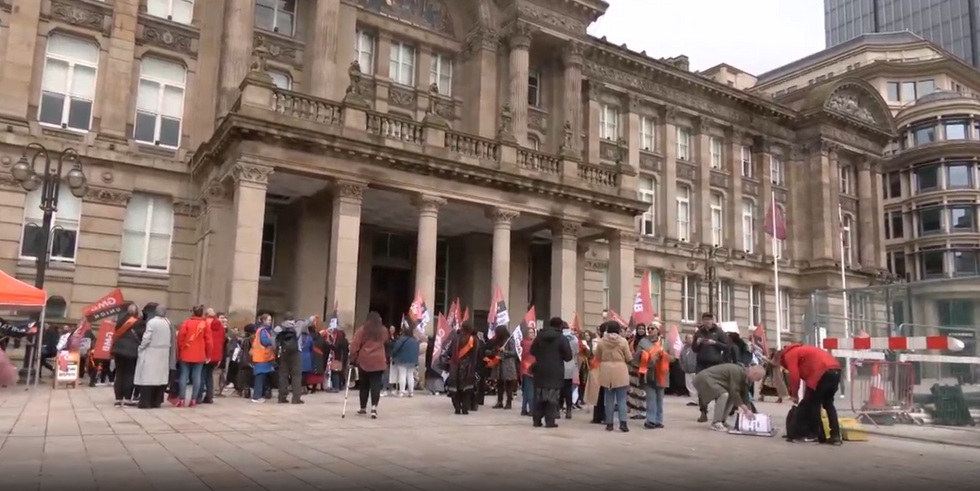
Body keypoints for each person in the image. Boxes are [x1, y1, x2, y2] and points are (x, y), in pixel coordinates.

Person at [775, 344, 843, 445]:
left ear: (780, 358)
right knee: (828, 404)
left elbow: (794, 376)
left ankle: (814, 434)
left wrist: (794, 395)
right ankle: (836, 436)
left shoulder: (789, 355)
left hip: (821, 372)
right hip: (836, 370)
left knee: (813, 405)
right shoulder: (801, 350)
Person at [693, 363, 766, 432]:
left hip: (712, 380)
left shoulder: (745, 377)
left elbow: (745, 396)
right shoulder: (737, 372)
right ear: (755, 374)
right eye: (758, 378)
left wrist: (750, 410)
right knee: (724, 394)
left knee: (731, 397)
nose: (757, 381)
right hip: (704, 379)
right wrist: (745, 409)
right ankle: (716, 422)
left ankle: (722, 421)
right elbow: (734, 391)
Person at [528, 317, 573, 428]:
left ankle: (537, 420)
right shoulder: (562, 339)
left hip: (540, 369)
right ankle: (550, 421)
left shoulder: (539, 336)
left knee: (539, 395)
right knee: (552, 397)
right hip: (555, 370)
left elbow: (532, 351)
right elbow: (568, 357)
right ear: (560, 326)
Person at [692, 312, 731, 422]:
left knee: (716, 387)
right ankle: (703, 412)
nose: (707, 322)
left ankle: (718, 413)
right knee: (701, 387)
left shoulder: (719, 332)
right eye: (705, 320)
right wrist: (698, 343)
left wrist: (715, 343)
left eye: (709, 320)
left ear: (712, 320)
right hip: (701, 363)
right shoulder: (699, 332)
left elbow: (727, 347)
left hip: (715, 364)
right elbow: (694, 349)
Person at [593, 321, 632, 432]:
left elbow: (598, 356)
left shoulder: (602, 342)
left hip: (606, 369)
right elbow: (628, 357)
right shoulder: (623, 341)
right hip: (620, 369)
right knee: (621, 399)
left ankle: (609, 423)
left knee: (608, 398)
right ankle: (623, 423)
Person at [350, 312, 388, 418]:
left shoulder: (362, 330)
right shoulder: (383, 331)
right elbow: (386, 342)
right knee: (376, 385)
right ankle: (374, 408)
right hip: (379, 360)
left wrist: (353, 357)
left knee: (364, 385)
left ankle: (363, 407)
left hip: (365, 359)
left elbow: (355, 345)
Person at [135, 306, 172, 409]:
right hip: (164, 352)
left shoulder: (152, 322)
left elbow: (147, 337)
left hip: (152, 351)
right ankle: (157, 401)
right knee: (160, 379)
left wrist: (141, 347)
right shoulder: (168, 323)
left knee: (148, 378)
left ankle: (146, 402)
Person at [175, 305, 212, 407]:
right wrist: (208, 354)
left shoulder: (186, 323)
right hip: (199, 354)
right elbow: (209, 341)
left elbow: (180, 338)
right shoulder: (205, 324)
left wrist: (180, 349)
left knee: (183, 376)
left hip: (186, 353)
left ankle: (181, 398)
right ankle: (194, 399)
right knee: (197, 377)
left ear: (193, 312)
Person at [111, 303, 146, 407]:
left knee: (119, 374)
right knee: (129, 375)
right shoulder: (140, 323)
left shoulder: (121, 321)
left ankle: (118, 399)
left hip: (118, 350)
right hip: (132, 352)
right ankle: (127, 398)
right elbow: (142, 337)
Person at [637, 324, 671, 429]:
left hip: (662, 373)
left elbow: (673, 358)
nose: (650, 330)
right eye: (649, 329)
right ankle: (650, 420)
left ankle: (658, 420)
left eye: (652, 328)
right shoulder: (643, 342)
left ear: (658, 330)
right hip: (649, 372)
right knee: (651, 398)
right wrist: (642, 355)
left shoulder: (664, 343)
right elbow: (636, 357)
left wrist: (664, 356)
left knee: (660, 399)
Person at [442, 321, 481, 415]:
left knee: (455, 389)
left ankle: (457, 408)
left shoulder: (455, 339)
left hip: (455, 367)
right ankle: (465, 408)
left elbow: (448, 352)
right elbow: (476, 356)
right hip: (468, 368)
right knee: (466, 390)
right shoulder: (474, 340)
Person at [275, 314, 309, 404]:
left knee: (283, 375)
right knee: (296, 375)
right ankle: (296, 398)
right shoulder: (298, 325)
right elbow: (308, 322)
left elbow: (273, 339)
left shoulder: (279, 328)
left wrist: (277, 349)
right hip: (296, 352)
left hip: (284, 352)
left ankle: (282, 397)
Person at [486, 325, 519, 409]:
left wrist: (505, 352)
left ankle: (508, 402)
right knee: (499, 384)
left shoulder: (509, 340)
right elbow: (493, 351)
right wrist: (493, 352)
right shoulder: (497, 341)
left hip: (508, 365)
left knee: (508, 384)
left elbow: (515, 353)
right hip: (498, 365)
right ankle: (499, 401)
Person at [199, 308, 224, 404]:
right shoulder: (220, 326)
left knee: (201, 375)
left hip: (206, 353)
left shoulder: (204, 323)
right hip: (216, 355)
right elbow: (221, 341)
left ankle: (198, 396)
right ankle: (209, 397)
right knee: (209, 376)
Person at [250, 316, 275, 403]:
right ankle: (257, 396)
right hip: (261, 357)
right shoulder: (263, 331)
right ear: (264, 321)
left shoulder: (262, 330)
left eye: (271, 320)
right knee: (260, 377)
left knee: (261, 377)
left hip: (261, 357)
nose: (270, 322)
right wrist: (272, 340)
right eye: (268, 320)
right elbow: (265, 341)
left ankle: (259, 395)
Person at [391, 325, 420, 397]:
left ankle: (401, 391)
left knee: (402, 375)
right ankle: (411, 392)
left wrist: (392, 355)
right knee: (410, 375)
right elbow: (417, 351)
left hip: (402, 360)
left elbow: (396, 348)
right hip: (413, 360)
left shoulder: (401, 339)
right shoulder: (415, 341)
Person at [627, 324, 648, 421]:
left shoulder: (647, 341)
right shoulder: (633, 340)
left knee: (641, 390)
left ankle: (643, 410)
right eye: (639, 328)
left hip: (643, 368)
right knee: (633, 390)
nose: (641, 330)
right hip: (633, 367)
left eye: (642, 329)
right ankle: (635, 410)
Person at [519, 326, 537, 416]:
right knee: (530, 390)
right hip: (530, 368)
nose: (532, 334)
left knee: (526, 390)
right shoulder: (530, 344)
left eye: (533, 332)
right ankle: (532, 409)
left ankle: (524, 408)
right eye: (530, 333)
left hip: (525, 368)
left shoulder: (523, 343)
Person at [678, 334, 698, 406]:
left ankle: (698, 400)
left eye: (691, 338)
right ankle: (694, 400)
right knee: (689, 386)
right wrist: (682, 367)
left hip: (695, 370)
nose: (690, 340)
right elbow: (681, 358)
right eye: (688, 338)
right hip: (687, 370)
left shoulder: (696, 348)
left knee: (696, 386)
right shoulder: (684, 349)